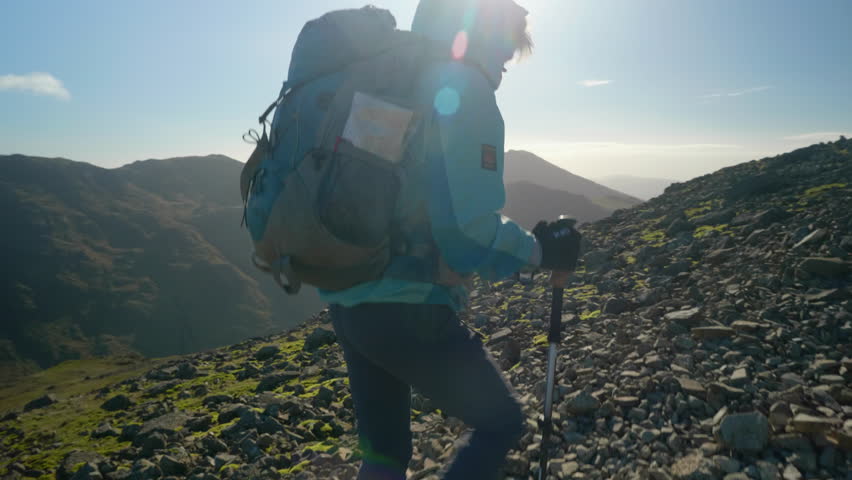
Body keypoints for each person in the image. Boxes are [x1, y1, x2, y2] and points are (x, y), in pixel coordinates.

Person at [320, 0, 582, 478]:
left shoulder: (399, 78)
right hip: (407, 305)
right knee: (500, 422)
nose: (508, 60)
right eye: (508, 43)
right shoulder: (464, 85)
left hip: (349, 294)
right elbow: (465, 231)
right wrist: (541, 252)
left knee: (383, 453)